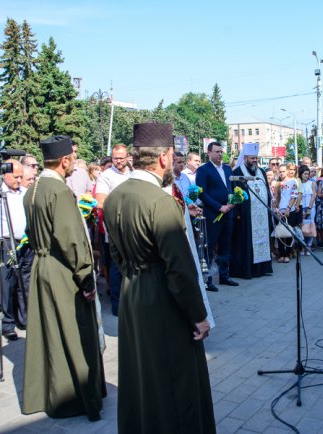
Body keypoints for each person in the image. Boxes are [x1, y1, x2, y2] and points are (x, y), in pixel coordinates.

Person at [103, 123, 215, 434]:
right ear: (164, 158)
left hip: (132, 293)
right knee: (176, 379)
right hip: (162, 299)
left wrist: (133, 278)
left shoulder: (114, 198)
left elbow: (114, 254)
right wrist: (199, 316)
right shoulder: (161, 202)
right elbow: (179, 269)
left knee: (142, 373)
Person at [21, 135, 106, 421]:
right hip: (61, 271)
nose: (74, 161)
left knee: (52, 334)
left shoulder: (32, 190)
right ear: (64, 161)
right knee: (74, 333)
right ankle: (80, 398)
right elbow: (71, 240)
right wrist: (86, 279)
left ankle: (53, 394)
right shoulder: (58, 191)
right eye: (72, 156)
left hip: (42, 266)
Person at [0, 159, 30, 340]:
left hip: (25, 242)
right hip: (6, 242)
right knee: (7, 284)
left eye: (21, 176)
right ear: (5, 175)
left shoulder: (25, 192)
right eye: (15, 176)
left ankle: (25, 319)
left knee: (25, 281)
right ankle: (7, 324)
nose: (18, 180)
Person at [196, 142, 238, 291]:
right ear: (209, 153)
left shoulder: (227, 169)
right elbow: (202, 193)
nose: (220, 154)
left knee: (225, 245)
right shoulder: (203, 170)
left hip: (228, 213)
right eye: (217, 152)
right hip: (213, 214)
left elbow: (232, 188)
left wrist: (233, 202)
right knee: (210, 246)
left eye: (221, 151)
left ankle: (224, 275)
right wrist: (219, 206)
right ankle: (207, 280)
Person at [95, 144, 130, 315]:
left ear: (127, 156)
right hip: (115, 228)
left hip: (132, 228)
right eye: (115, 158)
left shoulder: (133, 173)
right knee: (117, 267)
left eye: (121, 158)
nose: (118, 161)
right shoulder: (106, 176)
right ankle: (117, 305)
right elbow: (100, 200)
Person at [230, 143, 273, 278]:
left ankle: (262, 269)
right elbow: (235, 194)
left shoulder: (261, 172)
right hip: (246, 216)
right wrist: (238, 213)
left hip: (262, 214)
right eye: (252, 158)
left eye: (256, 158)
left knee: (263, 240)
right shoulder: (237, 173)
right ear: (245, 157)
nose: (255, 160)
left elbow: (267, 191)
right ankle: (248, 270)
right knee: (246, 243)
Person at [276, 163, 301, 263]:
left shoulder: (292, 182)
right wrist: (276, 209)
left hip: (289, 211)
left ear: (287, 171)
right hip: (279, 211)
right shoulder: (277, 183)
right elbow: (274, 198)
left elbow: (294, 196)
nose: (281, 173)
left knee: (289, 233)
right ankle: (281, 255)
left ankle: (287, 254)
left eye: (283, 171)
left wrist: (288, 208)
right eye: (280, 171)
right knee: (280, 233)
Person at [299, 165, 317, 254]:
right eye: (305, 174)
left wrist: (309, 208)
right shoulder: (298, 183)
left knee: (310, 226)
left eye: (307, 174)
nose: (306, 175)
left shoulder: (312, 183)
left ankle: (309, 246)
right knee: (302, 227)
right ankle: (303, 247)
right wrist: (301, 209)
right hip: (301, 207)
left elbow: (314, 195)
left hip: (310, 207)